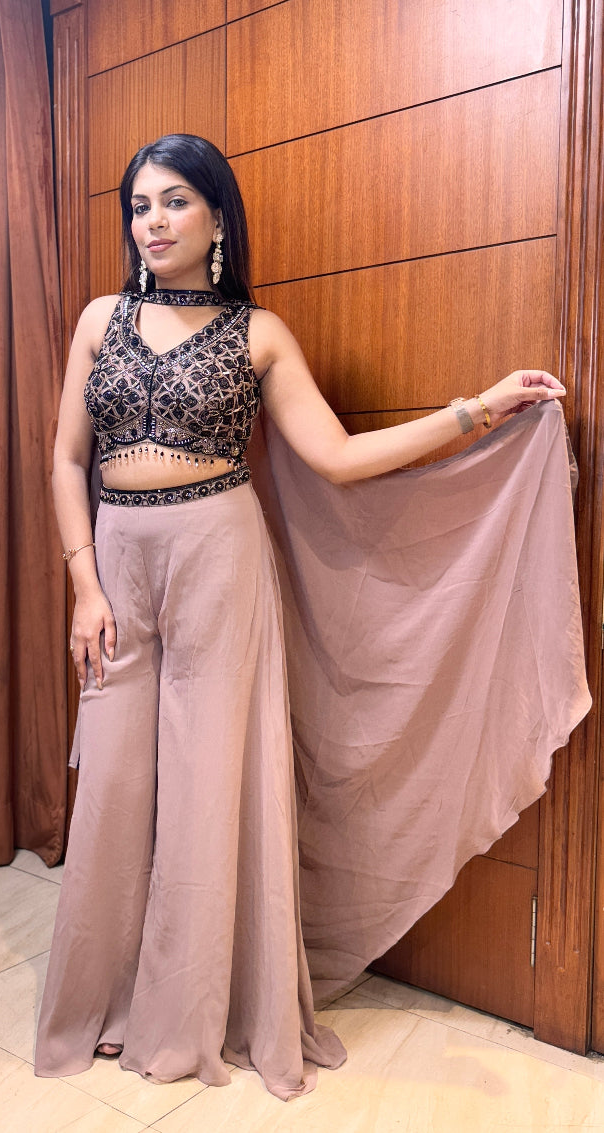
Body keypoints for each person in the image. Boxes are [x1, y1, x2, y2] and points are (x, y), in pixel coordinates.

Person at [34, 134, 568, 1101]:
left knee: (207, 784)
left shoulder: (259, 334)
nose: (153, 221)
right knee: (110, 783)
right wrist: (84, 582)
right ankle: (102, 998)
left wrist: (475, 411)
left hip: (218, 554)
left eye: (175, 201)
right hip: (115, 562)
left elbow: (338, 457)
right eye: (140, 205)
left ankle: (188, 1012)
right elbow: (69, 458)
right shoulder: (98, 320)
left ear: (217, 217)